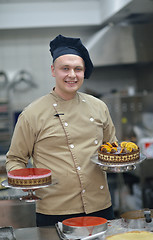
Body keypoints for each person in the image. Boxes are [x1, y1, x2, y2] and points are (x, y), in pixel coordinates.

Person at [6, 34, 117, 227]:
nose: (72, 75)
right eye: (65, 68)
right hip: (55, 211)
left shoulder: (99, 107)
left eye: (78, 69)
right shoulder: (32, 114)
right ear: (53, 70)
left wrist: (118, 162)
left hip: (100, 206)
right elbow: (15, 159)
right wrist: (25, 183)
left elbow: (111, 149)